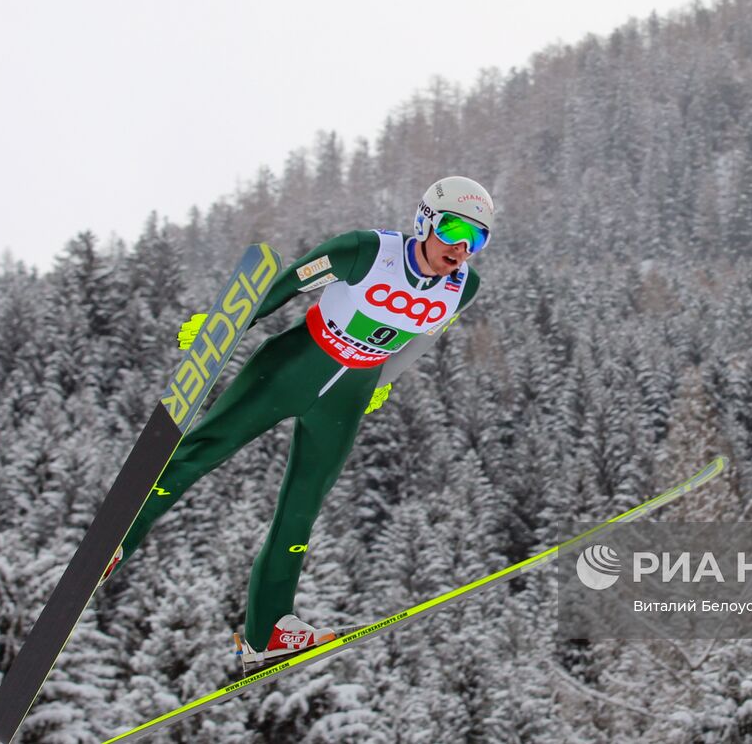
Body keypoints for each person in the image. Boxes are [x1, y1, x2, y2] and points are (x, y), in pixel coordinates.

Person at [101, 176, 493, 668]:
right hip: (294, 365)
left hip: (348, 396)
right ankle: (116, 541)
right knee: (204, 450)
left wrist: (385, 379)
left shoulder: (464, 287)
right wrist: (226, 324)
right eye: (455, 229)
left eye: (476, 238)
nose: (461, 248)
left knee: (301, 508)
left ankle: (267, 630)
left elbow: (422, 340)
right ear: (425, 220)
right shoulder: (366, 251)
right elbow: (285, 285)